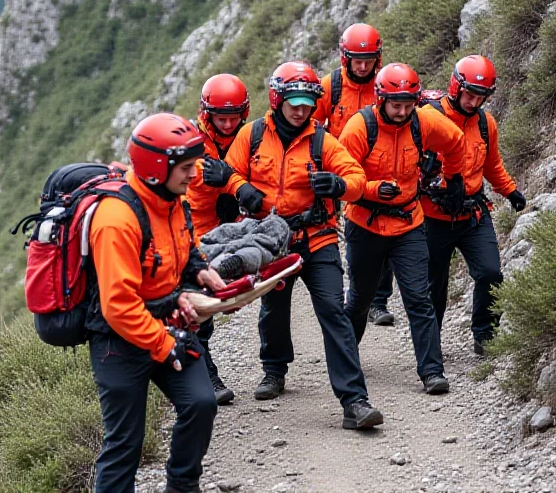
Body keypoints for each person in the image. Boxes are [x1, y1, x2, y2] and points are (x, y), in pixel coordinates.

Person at [207, 61, 384, 430]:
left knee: (334, 311)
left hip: (317, 238)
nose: (301, 110)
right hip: (273, 242)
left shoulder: (322, 141)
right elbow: (230, 172)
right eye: (295, 102)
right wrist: (244, 191)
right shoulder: (252, 135)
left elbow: (356, 176)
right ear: (277, 99)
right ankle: (273, 371)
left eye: (307, 103)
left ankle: (354, 400)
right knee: (274, 308)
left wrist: (339, 186)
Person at [86, 113, 227, 493]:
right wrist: (164, 344)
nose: (194, 174)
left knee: (200, 404)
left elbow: (184, 243)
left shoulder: (172, 199)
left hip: (168, 323)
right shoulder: (116, 219)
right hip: (119, 340)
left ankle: (182, 487)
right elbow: (118, 305)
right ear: (155, 168)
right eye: (185, 167)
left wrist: (199, 269)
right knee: (124, 445)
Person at [339, 63, 466, 394]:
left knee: (418, 297)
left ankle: (431, 372)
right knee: (360, 298)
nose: (403, 111)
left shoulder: (422, 121)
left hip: (408, 223)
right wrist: (371, 190)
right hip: (364, 224)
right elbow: (341, 179)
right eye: (396, 105)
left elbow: (456, 141)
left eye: (409, 104)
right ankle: (346, 360)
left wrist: (452, 178)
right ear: (381, 100)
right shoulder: (358, 128)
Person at [419, 55, 526, 356]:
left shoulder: (485, 123)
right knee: (433, 286)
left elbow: (492, 166)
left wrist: (511, 191)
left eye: (481, 96)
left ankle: (485, 334)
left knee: (491, 272)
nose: (474, 101)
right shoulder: (429, 116)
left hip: (473, 214)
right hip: (433, 216)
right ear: (456, 86)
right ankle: (430, 345)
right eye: (470, 94)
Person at [313, 23, 397, 327]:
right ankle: (334, 284)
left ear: (378, 58)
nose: (363, 67)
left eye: (369, 60)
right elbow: (310, 126)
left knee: (383, 229)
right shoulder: (329, 87)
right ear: (344, 58)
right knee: (332, 230)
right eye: (357, 60)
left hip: (378, 170)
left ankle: (377, 301)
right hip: (337, 171)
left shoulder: (386, 85)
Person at [186, 73, 250, 405]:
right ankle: (205, 376)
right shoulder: (190, 140)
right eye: (220, 118)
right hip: (197, 236)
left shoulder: (252, 136)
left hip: (233, 231)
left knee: (235, 298)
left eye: (233, 117)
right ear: (207, 114)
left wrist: (230, 181)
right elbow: (191, 178)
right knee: (201, 311)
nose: (227, 124)